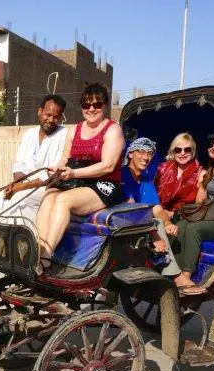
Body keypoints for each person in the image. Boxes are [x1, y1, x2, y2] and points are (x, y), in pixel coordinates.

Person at [36, 83, 125, 268]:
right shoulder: (74, 130)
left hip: (104, 185)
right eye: (86, 104)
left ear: (105, 106)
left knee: (63, 200)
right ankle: (39, 250)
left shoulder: (112, 129)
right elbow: (65, 159)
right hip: (79, 183)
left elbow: (108, 166)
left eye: (96, 104)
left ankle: (45, 257)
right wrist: (56, 169)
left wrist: (74, 172)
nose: (91, 109)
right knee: (48, 196)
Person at [170, 132, 214, 291]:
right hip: (211, 215)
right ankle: (177, 274)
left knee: (194, 229)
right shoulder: (211, 168)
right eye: (210, 144)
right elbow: (201, 201)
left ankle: (186, 276)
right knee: (182, 224)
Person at [0, 94, 68, 224]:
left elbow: (51, 174)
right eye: (48, 115)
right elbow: (19, 165)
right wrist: (16, 184)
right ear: (40, 112)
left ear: (60, 118)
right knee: (1, 196)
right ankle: (0, 236)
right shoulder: (29, 134)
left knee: (20, 199)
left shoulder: (64, 135)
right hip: (23, 183)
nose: (51, 119)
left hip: (47, 188)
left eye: (56, 117)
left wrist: (21, 187)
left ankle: (28, 241)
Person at [121, 137, 182, 278]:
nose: (146, 157)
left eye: (149, 153)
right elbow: (131, 209)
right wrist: (155, 235)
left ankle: (161, 266)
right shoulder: (123, 175)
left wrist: (168, 223)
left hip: (138, 223)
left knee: (167, 224)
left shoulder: (145, 179)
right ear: (131, 154)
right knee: (156, 223)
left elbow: (157, 209)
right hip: (123, 222)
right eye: (141, 152)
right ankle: (173, 274)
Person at [154, 132, 207, 294]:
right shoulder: (162, 169)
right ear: (173, 152)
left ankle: (182, 275)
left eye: (187, 150)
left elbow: (199, 205)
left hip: (185, 214)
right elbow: (151, 195)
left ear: (193, 152)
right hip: (159, 211)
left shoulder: (201, 173)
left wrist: (174, 213)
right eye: (178, 150)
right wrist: (163, 213)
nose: (182, 153)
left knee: (181, 228)